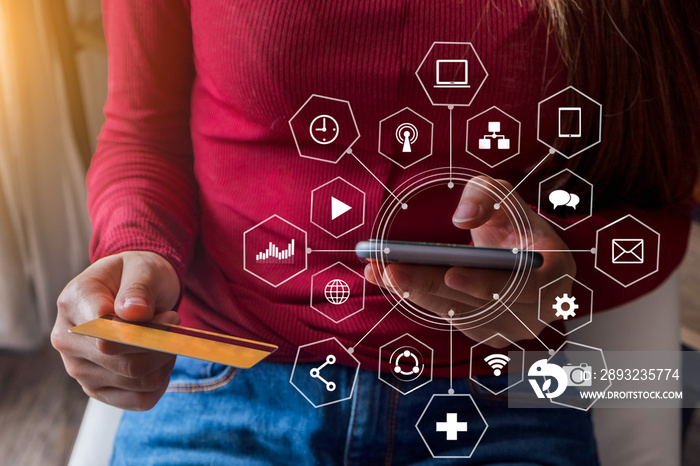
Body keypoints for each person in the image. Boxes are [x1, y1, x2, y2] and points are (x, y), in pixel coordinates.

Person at [51, 1, 699, 464]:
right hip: (230, 371)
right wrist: (136, 250)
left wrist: (568, 278)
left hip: (498, 388)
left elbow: (661, 197)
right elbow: (143, 132)